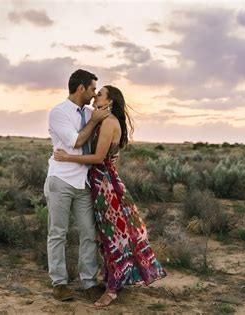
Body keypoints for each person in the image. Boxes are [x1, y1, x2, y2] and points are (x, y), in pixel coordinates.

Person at [54, 85, 167, 307]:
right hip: (102, 182)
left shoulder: (108, 123)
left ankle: (113, 290)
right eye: (95, 91)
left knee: (114, 237)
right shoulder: (107, 121)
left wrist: (67, 158)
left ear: (110, 101)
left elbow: (98, 158)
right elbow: (111, 156)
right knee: (109, 236)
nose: (96, 95)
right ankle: (114, 280)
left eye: (100, 93)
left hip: (105, 186)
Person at [44, 69, 110, 302]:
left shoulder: (92, 112)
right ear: (80, 87)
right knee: (58, 233)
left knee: (89, 233)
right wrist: (94, 121)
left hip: (83, 182)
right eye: (92, 89)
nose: (94, 95)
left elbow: (108, 125)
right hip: (61, 180)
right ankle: (59, 283)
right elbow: (76, 141)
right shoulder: (59, 112)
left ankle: (89, 282)